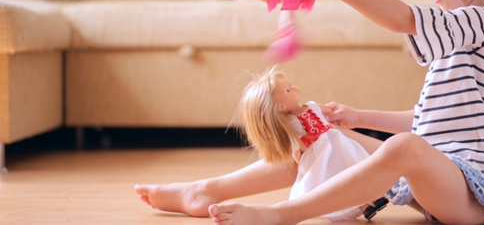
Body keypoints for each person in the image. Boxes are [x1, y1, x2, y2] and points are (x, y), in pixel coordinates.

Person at [137, 0, 484, 223]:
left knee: (404, 147)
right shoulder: (463, 33)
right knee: (323, 137)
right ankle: (207, 191)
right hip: (440, 180)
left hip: (476, 195)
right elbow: (428, 122)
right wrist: (359, 117)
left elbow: (404, 19)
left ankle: (283, 214)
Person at [135, 67, 388, 221]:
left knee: (339, 152)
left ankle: (273, 212)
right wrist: (357, 116)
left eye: (290, 88)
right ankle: (207, 190)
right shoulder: (300, 117)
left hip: (412, 161)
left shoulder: (308, 111)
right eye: (288, 90)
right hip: (397, 151)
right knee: (325, 150)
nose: (294, 89)